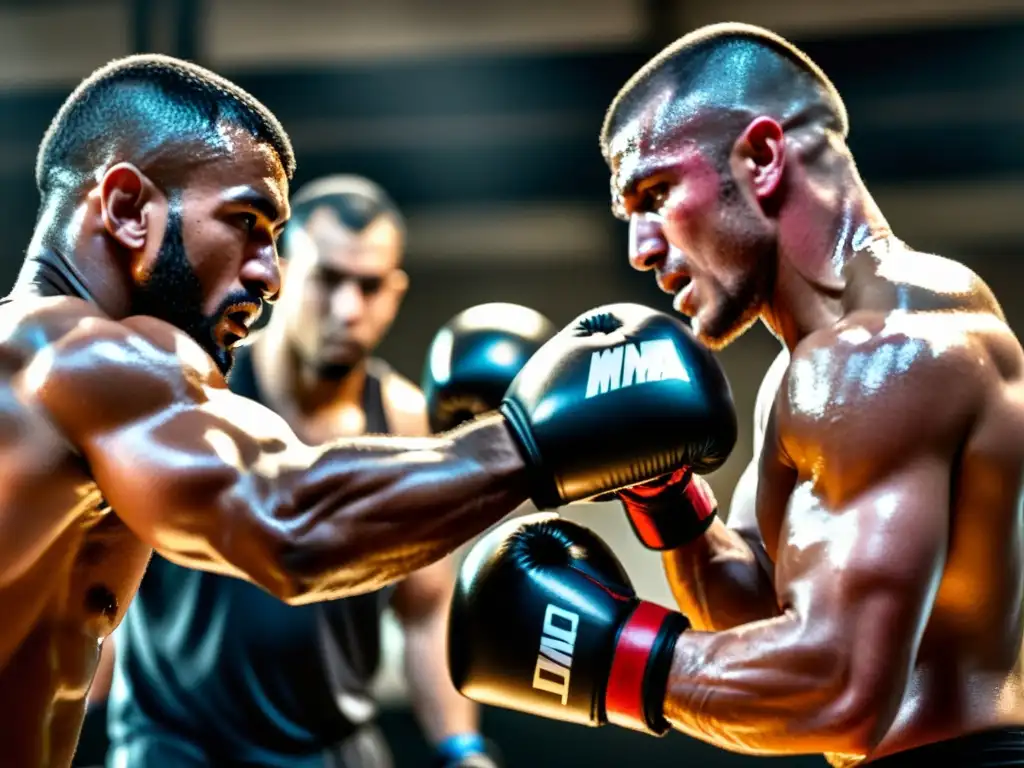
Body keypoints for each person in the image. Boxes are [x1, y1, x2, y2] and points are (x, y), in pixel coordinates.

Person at [0, 51, 727, 766]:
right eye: (247, 222)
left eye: (276, 239)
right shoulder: (87, 357)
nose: (269, 274)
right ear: (128, 209)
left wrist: (459, 746)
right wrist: (536, 443)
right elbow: (289, 521)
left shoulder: (54, 373)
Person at [447, 21, 1024, 768]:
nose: (640, 248)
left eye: (655, 193)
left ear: (760, 156)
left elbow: (838, 689)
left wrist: (609, 657)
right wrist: (664, 492)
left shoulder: (891, 352)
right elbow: (753, 619)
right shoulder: (805, 369)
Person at [102, 177, 521, 768]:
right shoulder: (201, 386)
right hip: (176, 746)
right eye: (328, 279)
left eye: (369, 285)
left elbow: (425, 606)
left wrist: (462, 748)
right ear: (284, 271)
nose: (348, 308)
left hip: (329, 747)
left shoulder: (401, 418)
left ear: (394, 292)